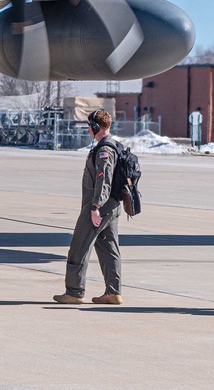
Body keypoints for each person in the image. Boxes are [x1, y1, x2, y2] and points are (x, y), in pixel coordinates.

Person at [54, 109, 123, 305]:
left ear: (95, 127)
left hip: (100, 205)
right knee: (109, 248)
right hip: (112, 206)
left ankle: (74, 291)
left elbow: (104, 180)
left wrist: (95, 207)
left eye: (89, 126)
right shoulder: (114, 146)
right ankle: (113, 292)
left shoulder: (104, 150)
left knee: (79, 246)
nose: (87, 129)